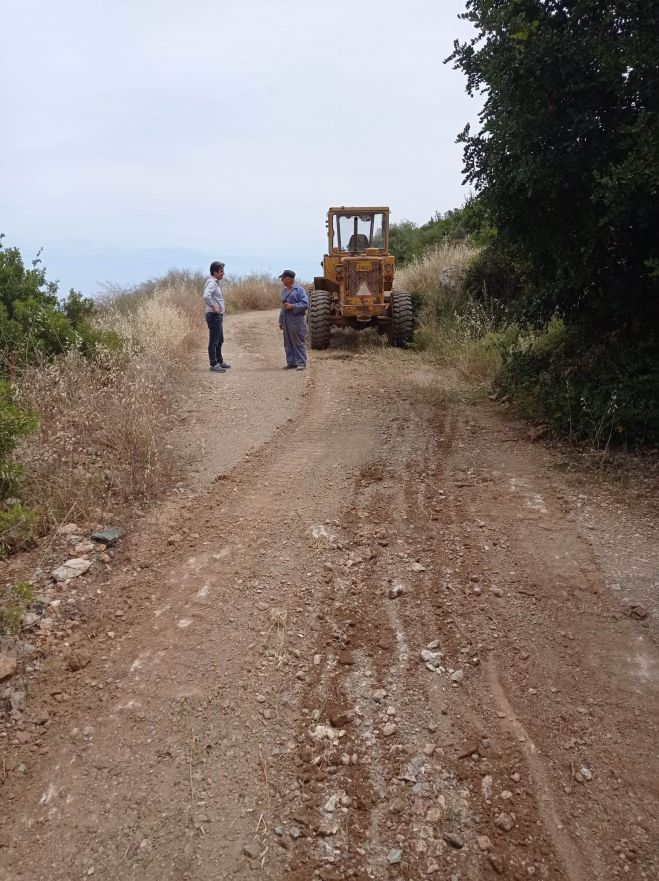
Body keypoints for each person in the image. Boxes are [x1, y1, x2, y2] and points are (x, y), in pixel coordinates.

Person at [203, 261, 231, 373]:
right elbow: (206, 296)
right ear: (215, 272)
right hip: (213, 315)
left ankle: (219, 361)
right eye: (221, 271)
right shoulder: (212, 283)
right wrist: (214, 307)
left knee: (220, 340)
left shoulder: (214, 282)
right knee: (214, 341)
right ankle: (214, 364)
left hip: (217, 316)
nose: (223, 274)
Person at [278, 270, 308, 370]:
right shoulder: (285, 291)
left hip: (297, 320)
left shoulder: (299, 290)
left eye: (283, 278)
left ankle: (301, 363)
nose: (282, 280)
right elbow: (283, 307)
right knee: (288, 342)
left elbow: (305, 304)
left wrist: (293, 306)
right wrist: (281, 320)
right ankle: (291, 362)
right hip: (287, 321)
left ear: (289, 279)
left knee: (298, 342)